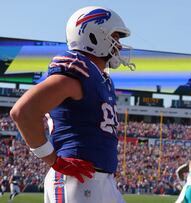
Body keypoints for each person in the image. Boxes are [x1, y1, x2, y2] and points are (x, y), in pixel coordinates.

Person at [10, 6, 135, 203]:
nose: (118, 45)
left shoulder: (101, 78)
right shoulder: (76, 71)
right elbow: (23, 111)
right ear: (94, 36)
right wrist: (52, 160)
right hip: (76, 179)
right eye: (115, 37)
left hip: (100, 180)